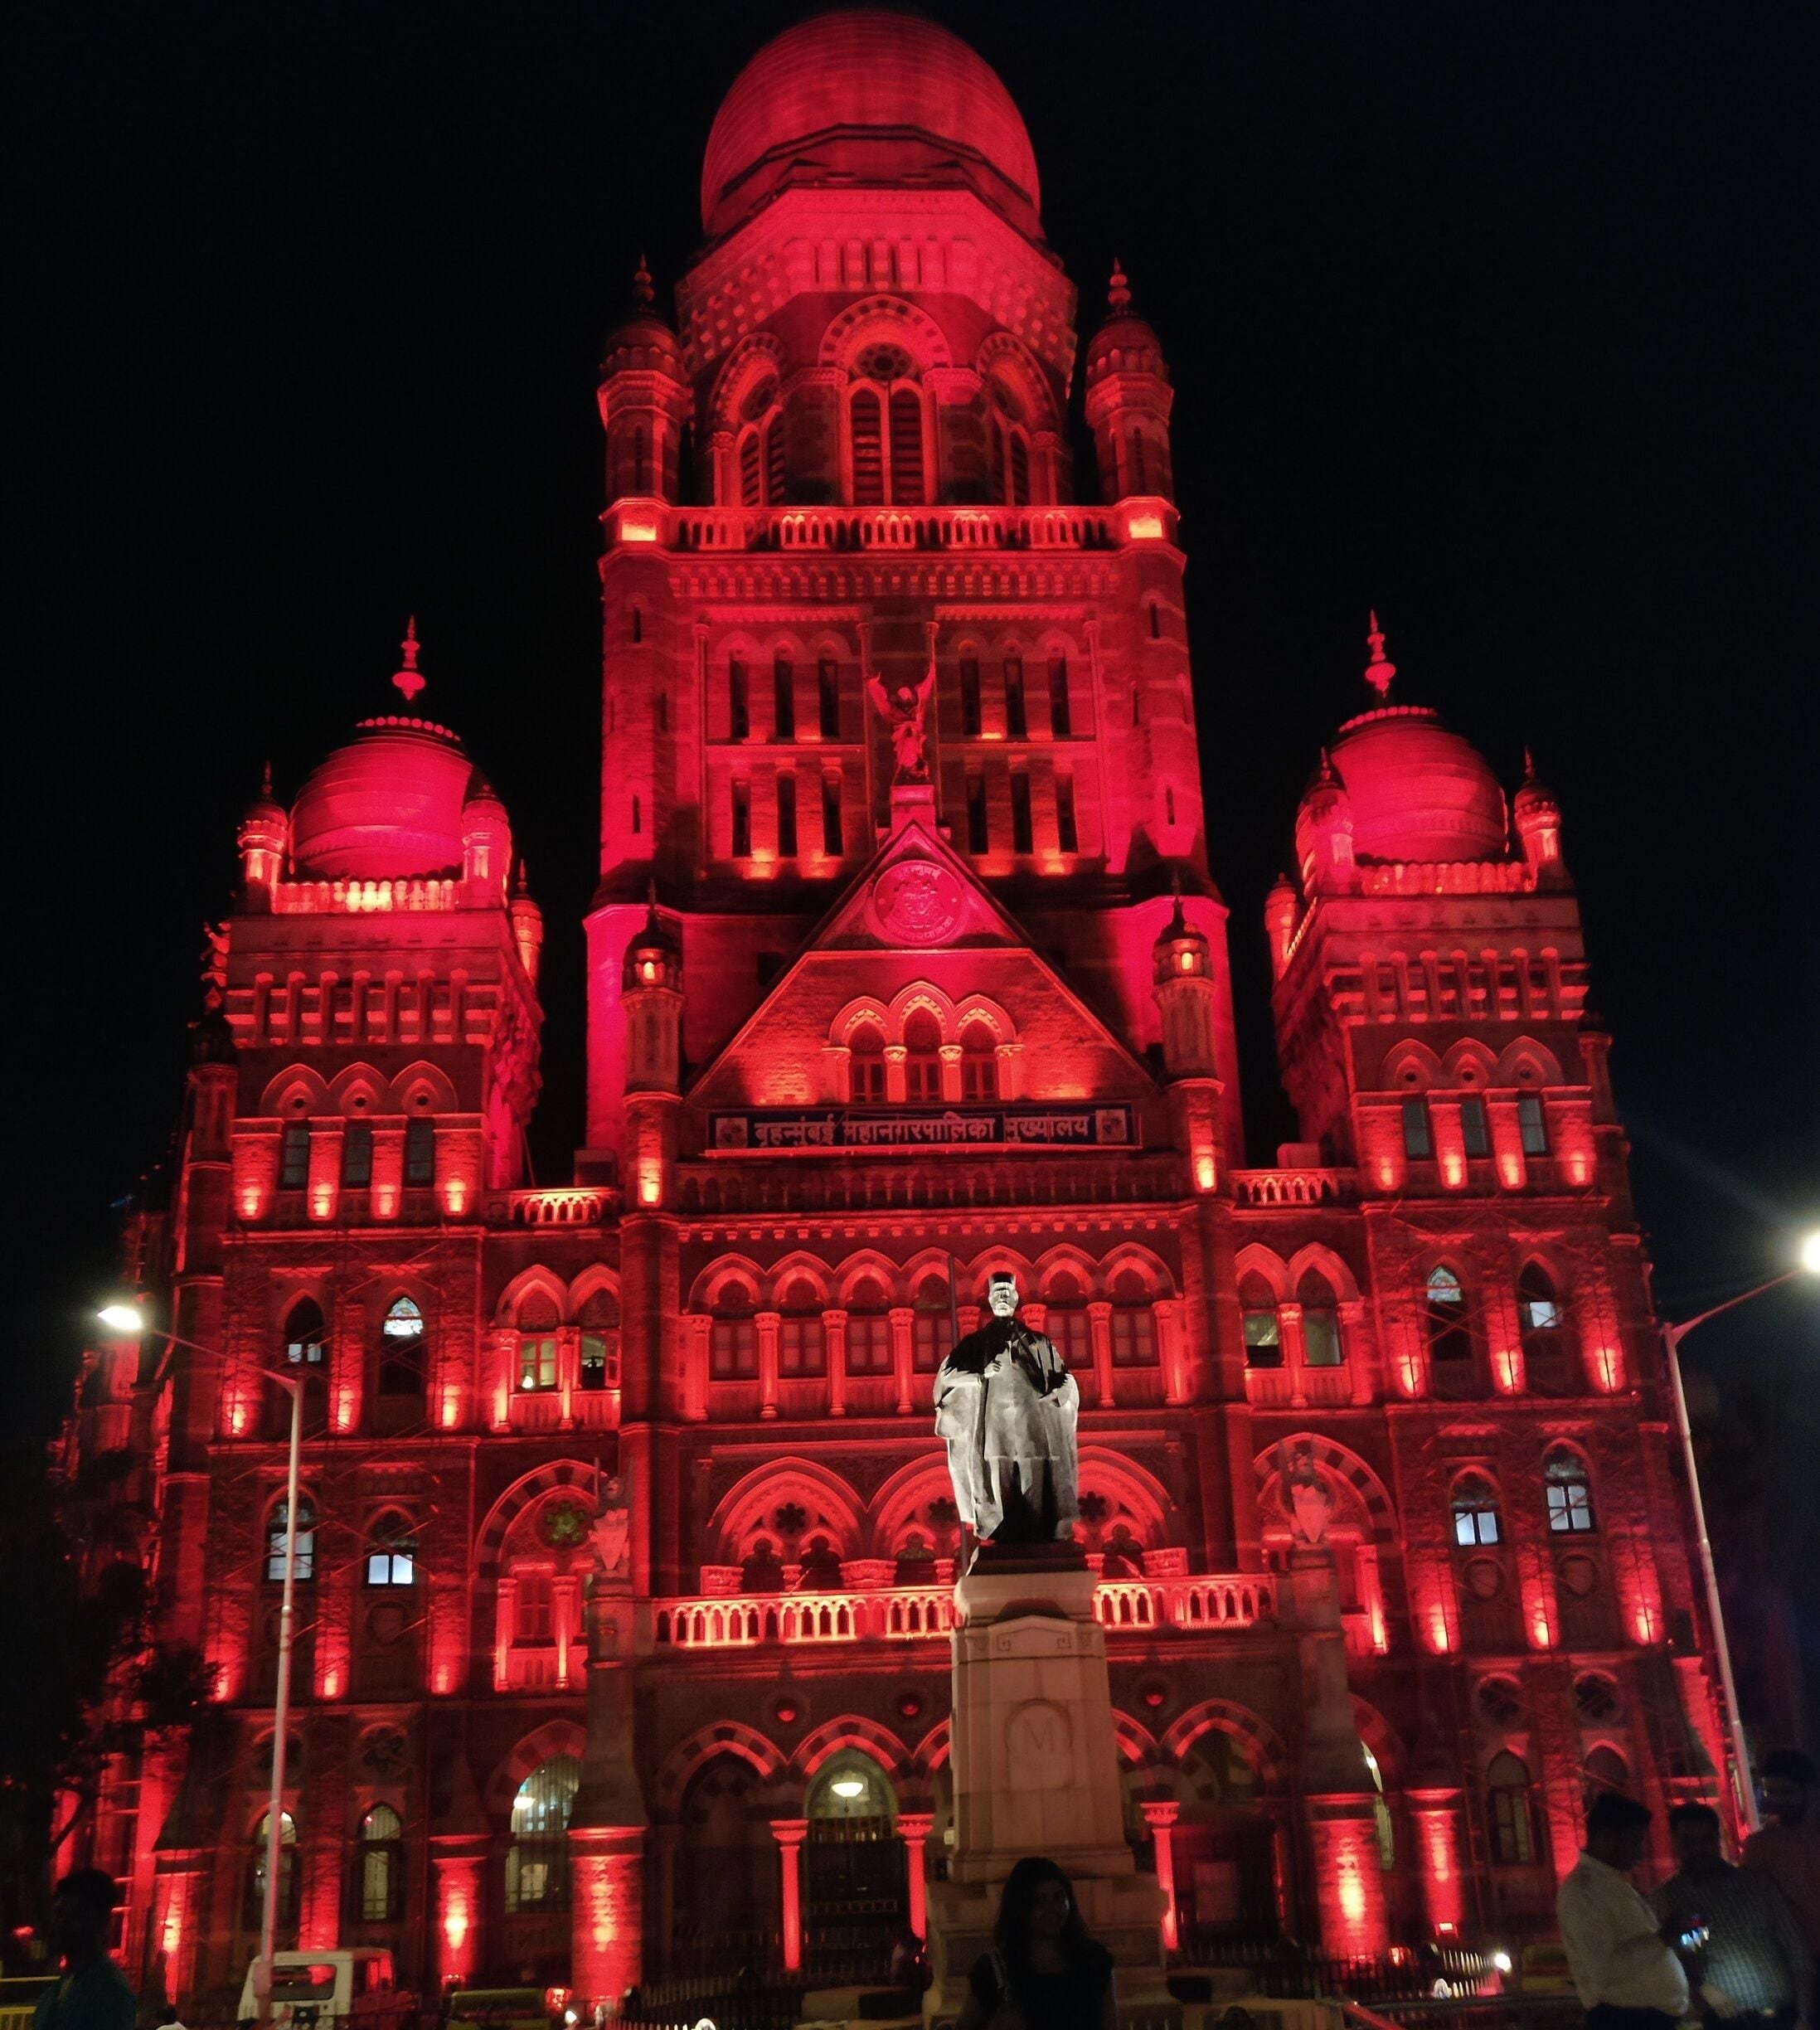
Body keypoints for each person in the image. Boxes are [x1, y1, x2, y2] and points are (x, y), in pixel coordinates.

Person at [934, 1272, 1080, 1555]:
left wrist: (1057, 1393)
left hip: (1032, 1427)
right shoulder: (976, 1343)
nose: (1002, 1297)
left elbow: (1065, 1378)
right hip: (994, 1429)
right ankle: (1004, 1540)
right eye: (997, 1293)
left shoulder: (1038, 1342)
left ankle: (1038, 1541)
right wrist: (980, 1374)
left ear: (1015, 1298)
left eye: (1007, 1292)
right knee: (999, 1489)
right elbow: (948, 1376)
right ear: (990, 1300)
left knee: (1034, 1486)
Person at [1653, 1801, 1813, 2028]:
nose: (1699, 1849)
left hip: (1786, 2016)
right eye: (1689, 1841)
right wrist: (1698, 1988)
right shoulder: (1667, 1900)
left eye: (1707, 1839)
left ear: (1718, 1839)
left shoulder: (1756, 1884)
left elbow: (1795, 1951)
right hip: (1726, 2022)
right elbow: (1667, 1964)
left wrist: (1804, 2017)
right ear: (1675, 1843)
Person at [1557, 1792, 1691, 2030]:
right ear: (1607, 1837)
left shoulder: (1613, 1883)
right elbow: (1604, 1970)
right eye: (1634, 1841)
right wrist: (1662, 1939)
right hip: (1624, 2020)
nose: (1640, 1852)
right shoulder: (1582, 1891)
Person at [957, 1858, 1115, 2030]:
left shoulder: (1095, 1961)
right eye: (1039, 1901)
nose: (1053, 1909)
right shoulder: (993, 1971)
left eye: (1059, 1897)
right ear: (1020, 1908)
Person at [33, 1871, 135, 2030]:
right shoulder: (63, 1985)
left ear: (99, 1921)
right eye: (58, 1914)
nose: (57, 1925)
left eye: (69, 1917)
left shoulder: (109, 1991)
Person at [1747, 1752, 1820, 1973]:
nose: (1776, 1801)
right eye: (1771, 1792)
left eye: (1786, 1792)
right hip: (1802, 1962)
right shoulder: (1760, 1846)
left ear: (1811, 1790)